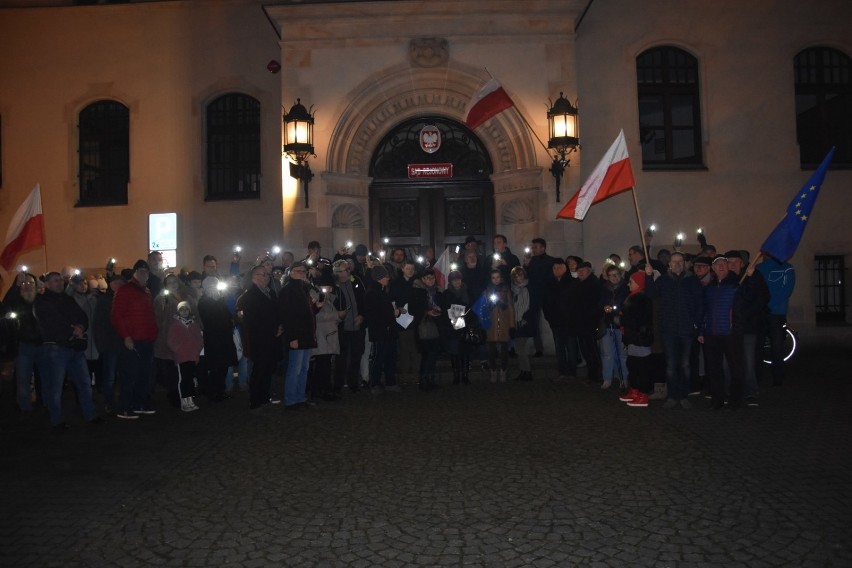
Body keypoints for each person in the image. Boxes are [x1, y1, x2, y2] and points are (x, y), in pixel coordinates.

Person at [34, 271, 102, 428]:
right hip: (56, 348)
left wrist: (80, 326)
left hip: (74, 348)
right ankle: (56, 419)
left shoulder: (67, 299)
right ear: (48, 284)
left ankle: (90, 414)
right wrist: (73, 330)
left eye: (60, 280)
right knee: (55, 387)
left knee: (84, 383)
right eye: (55, 281)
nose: (59, 283)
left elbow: (82, 316)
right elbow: (52, 322)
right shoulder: (42, 301)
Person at [644, 252, 703, 409]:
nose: (677, 264)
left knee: (684, 364)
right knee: (671, 364)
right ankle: (672, 395)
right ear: (669, 264)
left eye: (680, 262)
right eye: (674, 262)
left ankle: (683, 395)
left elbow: (700, 304)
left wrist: (696, 324)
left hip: (686, 329)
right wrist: (648, 276)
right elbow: (651, 294)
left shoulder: (692, 281)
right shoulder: (663, 280)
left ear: (684, 264)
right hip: (669, 329)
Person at [112, 260, 158, 419]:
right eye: (141, 271)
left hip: (146, 339)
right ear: (134, 273)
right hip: (133, 340)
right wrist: (126, 336)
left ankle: (139, 403)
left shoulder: (146, 291)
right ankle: (124, 406)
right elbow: (117, 316)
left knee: (144, 375)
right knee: (129, 375)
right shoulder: (125, 290)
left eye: (146, 271)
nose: (144, 274)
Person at [699, 255, 745, 410]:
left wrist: (737, 327)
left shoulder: (737, 284)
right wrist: (701, 330)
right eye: (717, 264)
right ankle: (717, 399)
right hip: (712, 333)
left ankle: (736, 400)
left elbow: (746, 306)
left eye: (723, 263)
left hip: (730, 333)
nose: (721, 266)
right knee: (714, 369)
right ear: (713, 268)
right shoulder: (709, 288)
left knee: (736, 369)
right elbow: (703, 310)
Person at [236, 265, 282, 410]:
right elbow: (252, 319)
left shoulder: (270, 293)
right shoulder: (249, 296)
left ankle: (264, 396)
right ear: (253, 277)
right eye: (261, 275)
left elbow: (276, 312)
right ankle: (255, 400)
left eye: (266, 275)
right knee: (259, 370)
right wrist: (271, 328)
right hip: (259, 339)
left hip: (272, 337)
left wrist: (279, 326)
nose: (264, 278)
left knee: (268, 368)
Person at [728, 250, 769, 407]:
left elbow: (761, 298)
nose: (731, 265)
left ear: (742, 263)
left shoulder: (754, 276)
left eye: (735, 262)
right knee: (730, 361)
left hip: (748, 326)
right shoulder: (726, 279)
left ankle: (751, 390)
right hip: (731, 328)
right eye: (729, 262)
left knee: (748, 361)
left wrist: (744, 314)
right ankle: (731, 389)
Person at [278, 260, 319, 410]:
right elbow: (288, 316)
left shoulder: (304, 289)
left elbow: (307, 314)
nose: (302, 274)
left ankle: (300, 397)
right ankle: (291, 399)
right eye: (299, 271)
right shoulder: (287, 291)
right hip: (297, 335)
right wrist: (293, 337)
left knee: (304, 368)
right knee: (294, 368)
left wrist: (316, 308)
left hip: (306, 334)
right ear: (291, 273)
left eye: (303, 271)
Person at [5, 273, 43, 415]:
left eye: (31, 283)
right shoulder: (16, 301)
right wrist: (15, 287)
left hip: (42, 344)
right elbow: (6, 303)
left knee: (45, 377)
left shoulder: (40, 300)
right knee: (23, 379)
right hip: (24, 346)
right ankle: (25, 408)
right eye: (24, 284)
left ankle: (44, 402)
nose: (27, 286)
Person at [754, 254, 795, 386]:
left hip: (775, 313)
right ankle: (759, 375)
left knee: (776, 346)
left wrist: (767, 306)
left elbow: (787, 290)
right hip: (764, 312)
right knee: (759, 345)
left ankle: (777, 375)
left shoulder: (787, 268)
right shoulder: (759, 268)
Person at [197, 277, 238, 403]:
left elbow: (227, 316)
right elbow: (209, 319)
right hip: (213, 339)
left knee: (223, 366)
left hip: (224, 338)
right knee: (215, 367)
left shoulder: (220, 300)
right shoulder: (204, 302)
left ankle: (220, 390)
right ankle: (213, 391)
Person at [618, 271, 654, 407]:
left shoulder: (641, 299)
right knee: (633, 365)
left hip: (639, 338)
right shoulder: (633, 297)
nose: (628, 284)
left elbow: (635, 319)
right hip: (633, 337)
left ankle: (642, 394)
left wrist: (619, 319)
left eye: (631, 282)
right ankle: (635, 391)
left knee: (641, 367)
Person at [363, 264, 400, 393]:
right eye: (386, 276)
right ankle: (375, 383)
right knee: (378, 356)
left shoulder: (382, 291)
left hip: (387, 330)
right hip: (380, 331)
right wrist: (392, 314)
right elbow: (375, 314)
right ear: (380, 278)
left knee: (390, 356)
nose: (388, 278)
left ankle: (389, 381)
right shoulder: (373, 293)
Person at [332, 259, 366, 395]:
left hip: (357, 326)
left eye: (346, 270)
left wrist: (362, 315)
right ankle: (338, 385)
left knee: (356, 356)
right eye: (340, 271)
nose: (344, 273)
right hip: (342, 328)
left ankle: (353, 383)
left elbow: (363, 299)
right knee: (341, 358)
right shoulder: (334, 285)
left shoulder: (356, 281)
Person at [92, 275, 124, 413]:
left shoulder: (124, 299)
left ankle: (123, 400)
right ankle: (109, 402)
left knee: (123, 374)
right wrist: (101, 344)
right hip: (110, 343)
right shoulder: (104, 300)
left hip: (123, 342)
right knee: (109, 376)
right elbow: (98, 323)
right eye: (115, 282)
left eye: (120, 283)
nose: (118, 285)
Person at [410, 269, 443, 391]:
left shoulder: (437, 291)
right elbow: (414, 309)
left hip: (435, 325)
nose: (431, 280)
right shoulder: (417, 291)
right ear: (423, 279)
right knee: (427, 354)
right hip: (423, 326)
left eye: (432, 278)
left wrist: (438, 310)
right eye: (428, 278)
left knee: (433, 353)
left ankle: (430, 378)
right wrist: (427, 312)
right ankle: (423, 380)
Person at [166, 301, 203, 412]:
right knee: (183, 379)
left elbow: (199, 339)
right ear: (178, 311)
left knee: (190, 378)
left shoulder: (194, 324)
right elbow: (170, 340)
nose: (184, 312)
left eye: (186, 309)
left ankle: (190, 399)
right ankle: (184, 400)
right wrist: (178, 349)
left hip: (192, 355)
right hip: (181, 356)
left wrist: (197, 351)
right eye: (182, 310)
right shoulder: (175, 325)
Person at [153, 274, 183, 406]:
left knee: (181, 369)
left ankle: (183, 393)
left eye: (174, 281)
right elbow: (158, 317)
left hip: (182, 338)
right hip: (167, 338)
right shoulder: (161, 298)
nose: (172, 284)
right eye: (169, 282)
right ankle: (174, 395)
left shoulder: (184, 296)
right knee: (171, 370)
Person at [524, 238, 557, 356]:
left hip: (548, 295)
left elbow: (551, 278)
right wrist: (526, 266)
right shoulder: (530, 261)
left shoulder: (551, 261)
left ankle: (558, 346)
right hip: (534, 295)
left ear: (543, 248)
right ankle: (539, 348)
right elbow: (525, 277)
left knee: (553, 321)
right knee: (534, 322)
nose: (533, 249)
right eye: (533, 247)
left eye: (536, 247)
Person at [390, 259, 420, 385]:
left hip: (415, 320)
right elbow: (392, 299)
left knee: (414, 348)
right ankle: (404, 375)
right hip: (402, 320)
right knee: (404, 348)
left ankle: (415, 375)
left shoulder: (416, 282)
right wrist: (397, 308)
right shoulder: (396, 283)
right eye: (408, 268)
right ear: (402, 269)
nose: (410, 271)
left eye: (412, 269)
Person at [440, 270, 473, 385]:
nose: (457, 282)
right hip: (452, 327)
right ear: (451, 282)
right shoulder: (446, 294)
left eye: (459, 279)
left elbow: (471, 308)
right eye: (454, 280)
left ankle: (465, 375)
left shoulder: (468, 292)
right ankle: (456, 375)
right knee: (454, 352)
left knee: (465, 352)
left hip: (465, 327)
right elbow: (444, 310)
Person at [309, 278, 340, 402]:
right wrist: (337, 315)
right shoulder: (317, 298)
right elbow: (316, 315)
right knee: (322, 365)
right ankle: (320, 391)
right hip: (322, 336)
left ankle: (325, 390)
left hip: (329, 336)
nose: (328, 290)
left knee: (326, 365)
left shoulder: (330, 299)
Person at [599, 263, 629, 390]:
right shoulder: (604, 288)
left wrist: (618, 309)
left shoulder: (625, 288)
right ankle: (607, 378)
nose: (613, 277)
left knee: (622, 354)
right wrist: (604, 307)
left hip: (621, 324)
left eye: (615, 275)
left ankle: (624, 378)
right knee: (607, 353)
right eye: (610, 275)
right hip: (607, 324)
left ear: (620, 275)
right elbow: (599, 302)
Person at [483, 269, 515, 383]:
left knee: (504, 350)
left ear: (501, 278)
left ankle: (503, 370)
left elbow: (510, 308)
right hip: (491, 325)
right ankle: (493, 371)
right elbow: (484, 308)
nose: (495, 280)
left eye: (497, 277)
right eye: (493, 277)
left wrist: (511, 325)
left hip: (504, 324)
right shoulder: (487, 291)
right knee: (491, 351)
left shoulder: (506, 291)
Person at [575, 261, 603, 384]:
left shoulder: (593, 284)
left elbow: (595, 304)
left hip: (590, 322)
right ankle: (592, 374)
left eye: (583, 270)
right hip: (581, 322)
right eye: (579, 271)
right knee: (586, 349)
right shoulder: (579, 284)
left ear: (589, 271)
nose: (580, 273)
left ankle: (596, 375)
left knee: (591, 349)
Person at [510, 266, 536, 381]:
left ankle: (527, 371)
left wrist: (523, 318)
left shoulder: (526, 289)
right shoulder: (514, 290)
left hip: (523, 322)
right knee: (519, 349)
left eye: (520, 275)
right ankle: (523, 371)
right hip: (517, 321)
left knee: (521, 349)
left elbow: (527, 305)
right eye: (515, 276)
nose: (518, 278)